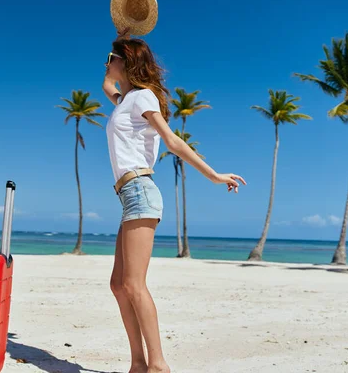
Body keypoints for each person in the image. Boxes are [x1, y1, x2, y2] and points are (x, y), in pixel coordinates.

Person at [102, 28, 246, 373]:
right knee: (118, 285)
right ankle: (138, 363)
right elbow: (108, 87)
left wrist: (213, 175)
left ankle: (158, 365)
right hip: (129, 195)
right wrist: (119, 41)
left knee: (134, 285)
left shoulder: (143, 98)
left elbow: (171, 140)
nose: (106, 64)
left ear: (127, 62)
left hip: (140, 191)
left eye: (111, 59)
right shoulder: (125, 101)